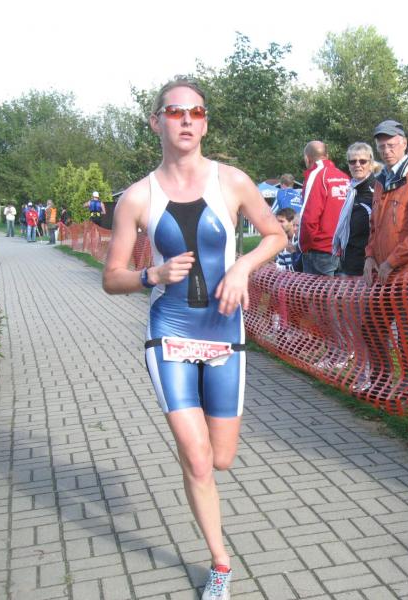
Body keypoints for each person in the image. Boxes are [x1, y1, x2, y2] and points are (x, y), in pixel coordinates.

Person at [101, 76, 284, 600]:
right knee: (198, 457)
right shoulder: (138, 197)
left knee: (220, 458)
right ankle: (220, 563)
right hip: (171, 333)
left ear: (205, 123)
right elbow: (112, 277)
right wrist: (151, 276)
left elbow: (276, 234)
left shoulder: (233, 181)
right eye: (176, 111)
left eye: (196, 112)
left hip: (224, 331)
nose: (187, 120)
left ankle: (198, 456)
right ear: (155, 121)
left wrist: (243, 266)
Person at [361, 120, 408, 400]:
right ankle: (380, 383)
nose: (386, 149)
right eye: (381, 145)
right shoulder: (382, 181)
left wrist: (391, 261)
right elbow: (375, 225)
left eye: (392, 144)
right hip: (382, 274)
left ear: (404, 144)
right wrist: (370, 255)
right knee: (372, 327)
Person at [297, 141, 350, 276]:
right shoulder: (344, 176)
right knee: (340, 290)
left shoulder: (316, 175)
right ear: (327, 155)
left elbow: (309, 216)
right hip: (342, 250)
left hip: (320, 251)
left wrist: (304, 246)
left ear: (307, 158)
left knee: (314, 291)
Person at [333, 142, 375, 276]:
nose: (357, 165)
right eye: (352, 161)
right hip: (348, 262)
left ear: (371, 163)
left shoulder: (376, 190)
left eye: (362, 161)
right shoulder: (352, 190)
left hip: (367, 266)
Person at [274, 207, 299, 272]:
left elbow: (299, 269)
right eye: (277, 222)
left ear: (292, 222)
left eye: (281, 221)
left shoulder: (299, 241)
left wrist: (277, 268)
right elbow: (280, 264)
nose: (278, 224)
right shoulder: (281, 241)